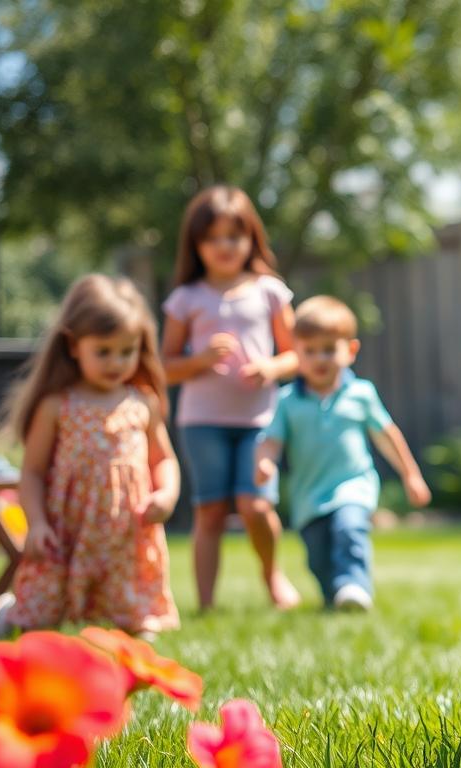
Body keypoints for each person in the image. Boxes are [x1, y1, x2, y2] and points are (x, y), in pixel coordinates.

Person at [0, 275, 180, 639]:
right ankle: (4, 614)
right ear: (73, 346)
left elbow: (163, 459)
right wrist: (37, 523)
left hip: (124, 535)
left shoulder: (142, 403)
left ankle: (131, 628)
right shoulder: (58, 406)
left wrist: (166, 495)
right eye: (103, 351)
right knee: (39, 618)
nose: (116, 362)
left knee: (131, 620)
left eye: (127, 350)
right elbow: (34, 472)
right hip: (65, 531)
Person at [161, 186, 301, 610]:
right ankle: (205, 603)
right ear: (195, 245)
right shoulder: (186, 299)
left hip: (260, 419)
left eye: (234, 236)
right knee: (210, 511)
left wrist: (270, 369)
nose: (224, 246)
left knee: (256, 505)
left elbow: (296, 355)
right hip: (201, 421)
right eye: (212, 238)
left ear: (251, 239)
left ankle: (272, 575)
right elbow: (164, 366)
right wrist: (199, 360)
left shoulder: (269, 291)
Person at [254, 296, 431, 610]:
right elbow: (271, 441)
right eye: (310, 351)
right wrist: (264, 463)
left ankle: (354, 585)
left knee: (349, 529)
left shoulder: (361, 394)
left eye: (328, 349)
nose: (320, 358)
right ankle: (335, 594)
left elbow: (387, 436)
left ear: (350, 351)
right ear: (296, 354)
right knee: (318, 555)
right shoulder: (287, 401)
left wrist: (411, 475)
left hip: (353, 487)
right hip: (309, 496)